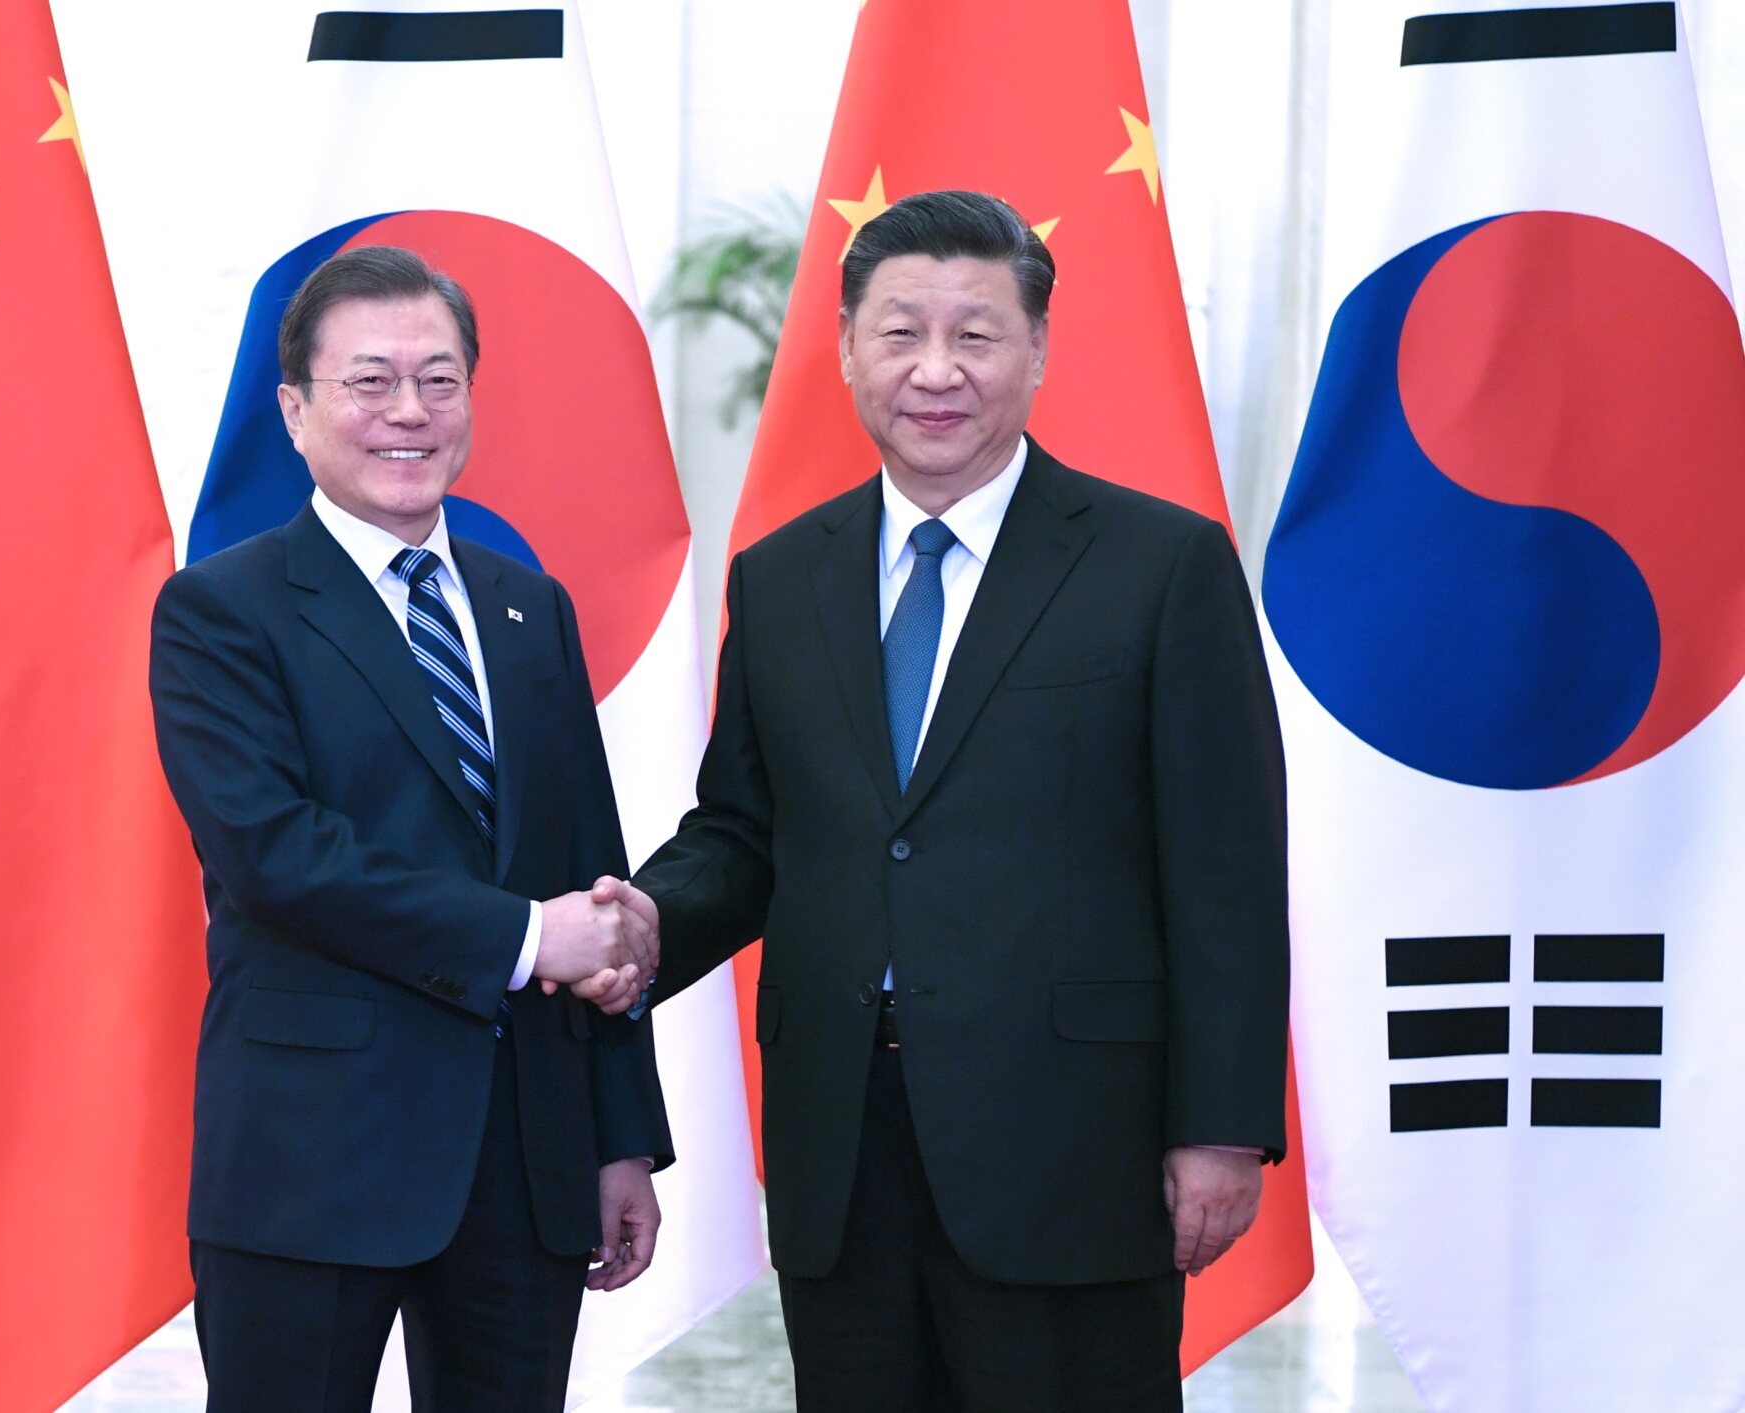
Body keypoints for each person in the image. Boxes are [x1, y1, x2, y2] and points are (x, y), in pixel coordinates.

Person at [627, 189, 1289, 1411]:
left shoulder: (1160, 565)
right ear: (844, 348)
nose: (935, 371)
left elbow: (1226, 871)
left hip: (1072, 1149)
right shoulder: (781, 577)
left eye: (974, 335)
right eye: (899, 333)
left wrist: (1220, 1125)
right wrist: (638, 928)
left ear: (1036, 350)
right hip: (841, 1148)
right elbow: (746, 834)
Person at [149, 244, 671, 1413]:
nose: (409, 411)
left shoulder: (528, 606)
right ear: (295, 411)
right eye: (369, 381)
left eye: (439, 380)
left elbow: (590, 875)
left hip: (524, 1158)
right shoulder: (219, 611)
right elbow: (275, 857)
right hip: (309, 1158)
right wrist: (524, 939)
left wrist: (618, 1137)